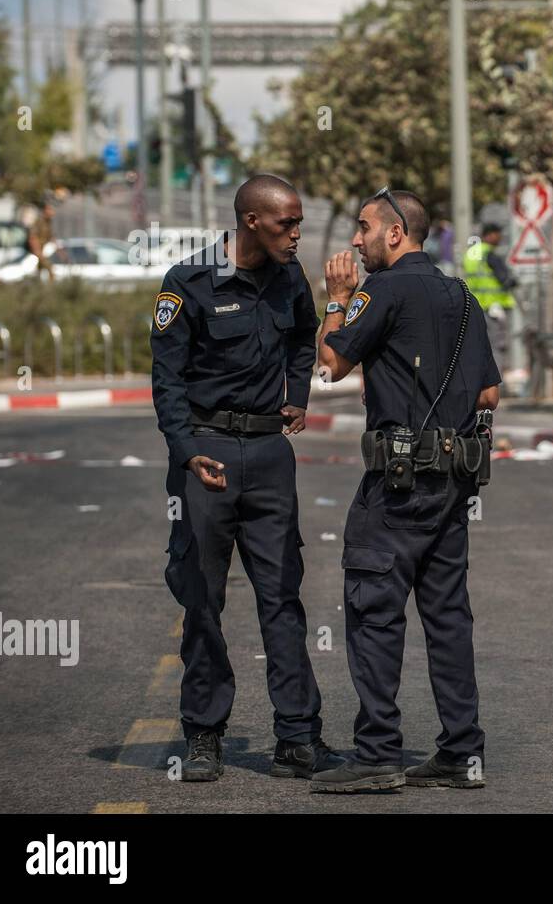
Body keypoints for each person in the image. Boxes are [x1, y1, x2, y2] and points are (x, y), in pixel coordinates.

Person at [310, 188, 500, 793]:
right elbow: (489, 395)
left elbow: (332, 363)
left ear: (396, 234)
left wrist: (336, 301)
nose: (356, 240)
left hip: (396, 487)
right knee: (447, 616)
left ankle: (377, 755)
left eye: (364, 228)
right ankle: (461, 753)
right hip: (453, 481)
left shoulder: (383, 289)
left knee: (373, 609)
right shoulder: (461, 296)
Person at [150, 174, 336, 783]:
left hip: (268, 452)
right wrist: (184, 451)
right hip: (208, 455)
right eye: (288, 224)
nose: (297, 235)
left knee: (282, 596)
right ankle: (204, 735)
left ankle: (297, 736)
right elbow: (168, 380)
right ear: (252, 221)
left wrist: (298, 394)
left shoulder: (289, 278)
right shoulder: (190, 280)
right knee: (203, 598)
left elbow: (306, 337)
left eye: (300, 223)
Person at [462, 224, 517, 376]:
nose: (499, 238)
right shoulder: (489, 254)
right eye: (498, 234)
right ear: (490, 235)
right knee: (497, 346)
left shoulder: (470, 253)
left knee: (479, 345)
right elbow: (504, 279)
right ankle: (494, 383)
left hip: (475, 307)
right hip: (494, 307)